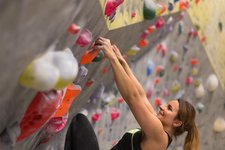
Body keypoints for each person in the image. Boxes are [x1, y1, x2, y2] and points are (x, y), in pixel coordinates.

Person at [93, 37, 199, 150]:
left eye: (169, 108)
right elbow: (140, 95)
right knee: (80, 122)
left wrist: (112, 58)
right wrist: (122, 61)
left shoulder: (159, 136)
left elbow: (132, 99)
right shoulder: (158, 128)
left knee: (80, 122)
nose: (162, 106)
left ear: (177, 122)